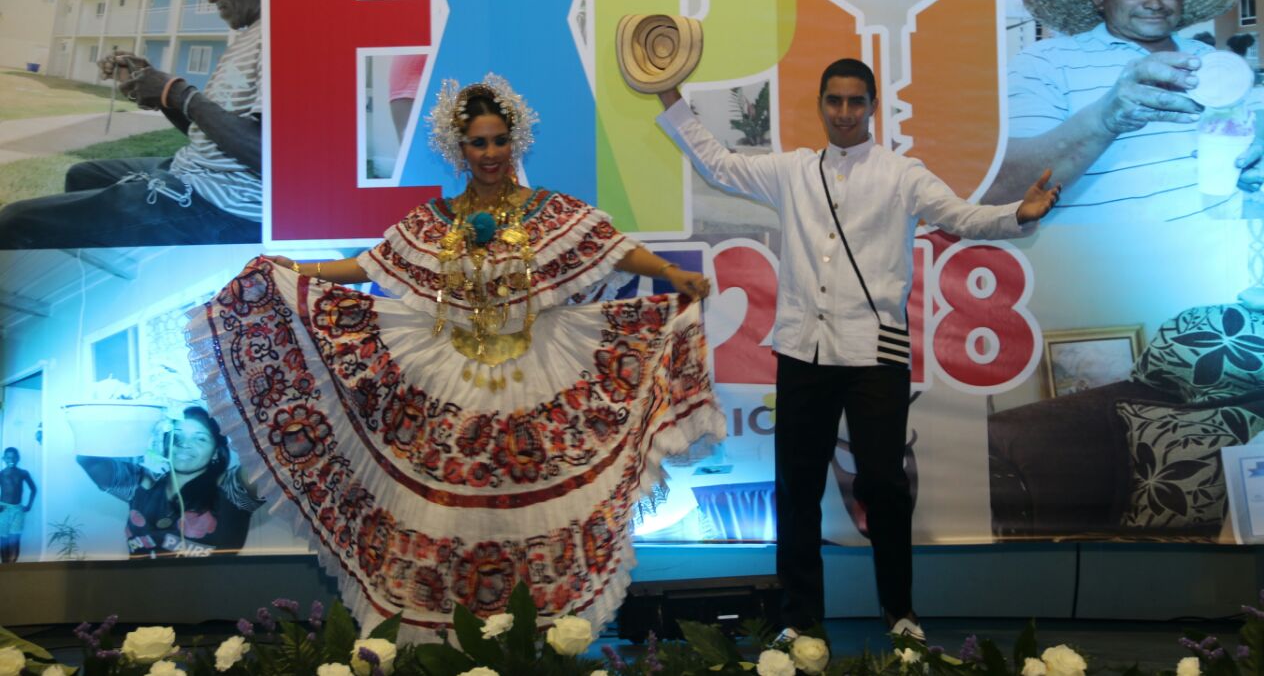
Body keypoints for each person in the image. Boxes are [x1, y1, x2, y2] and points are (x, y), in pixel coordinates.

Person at [185, 74, 722, 637]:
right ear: (458, 149)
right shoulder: (435, 220)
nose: (490, 153)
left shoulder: (548, 210)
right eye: (478, 143)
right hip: (451, 386)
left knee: (536, 515)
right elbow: (367, 265)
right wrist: (295, 269)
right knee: (448, 518)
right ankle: (453, 644)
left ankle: (535, 641)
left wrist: (670, 272)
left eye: (499, 141)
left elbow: (611, 248)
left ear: (514, 141)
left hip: (538, 381)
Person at [649, 58, 1059, 640]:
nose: (844, 113)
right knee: (796, 489)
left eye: (855, 102)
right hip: (803, 352)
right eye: (834, 101)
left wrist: (1019, 212)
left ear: (872, 108)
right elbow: (718, 164)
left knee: (885, 487)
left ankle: (901, 614)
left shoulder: (901, 174)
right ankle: (799, 621)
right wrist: (669, 96)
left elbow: (961, 216)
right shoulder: (793, 170)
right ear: (821, 105)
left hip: (876, 355)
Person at [983, 0, 1264, 222]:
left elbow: (1257, 113)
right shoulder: (1045, 62)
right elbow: (1003, 189)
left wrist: (1259, 146)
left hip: (1216, 241)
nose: (1155, 2)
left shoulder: (1207, 57)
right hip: (1100, 250)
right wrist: (1105, 119)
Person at [0, 0, 264, 248]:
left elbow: (270, 156)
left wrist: (176, 92)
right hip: (192, 173)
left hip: (223, 208)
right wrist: (160, 94)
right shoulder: (247, 38)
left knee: (15, 222)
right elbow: (210, 134)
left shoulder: (281, 37)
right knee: (82, 174)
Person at [76, 407, 262, 558]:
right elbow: (88, 458)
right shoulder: (142, 484)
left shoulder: (231, 490)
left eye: (200, 438)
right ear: (166, 443)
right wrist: (133, 415)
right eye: (177, 435)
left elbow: (266, 461)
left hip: (211, 592)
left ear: (215, 452)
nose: (184, 444)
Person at [0, 447, 37, 563]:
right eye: (8, 457)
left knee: (15, 540)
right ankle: (5, 567)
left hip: (18, 510)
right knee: (3, 540)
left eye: (14, 457)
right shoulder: (1, 474)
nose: (11, 460)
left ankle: (13, 566)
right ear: (3, 459)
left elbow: (33, 489)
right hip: (3, 510)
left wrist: (29, 505)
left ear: (18, 458)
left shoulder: (23, 473)